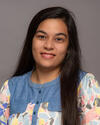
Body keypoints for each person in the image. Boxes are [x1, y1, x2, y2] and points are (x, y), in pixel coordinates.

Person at [0, 6, 100, 125]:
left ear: (69, 46)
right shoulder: (10, 88)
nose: (48, 45)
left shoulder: (85, 85)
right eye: (41, 37)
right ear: (31, 40)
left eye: (58, 39)